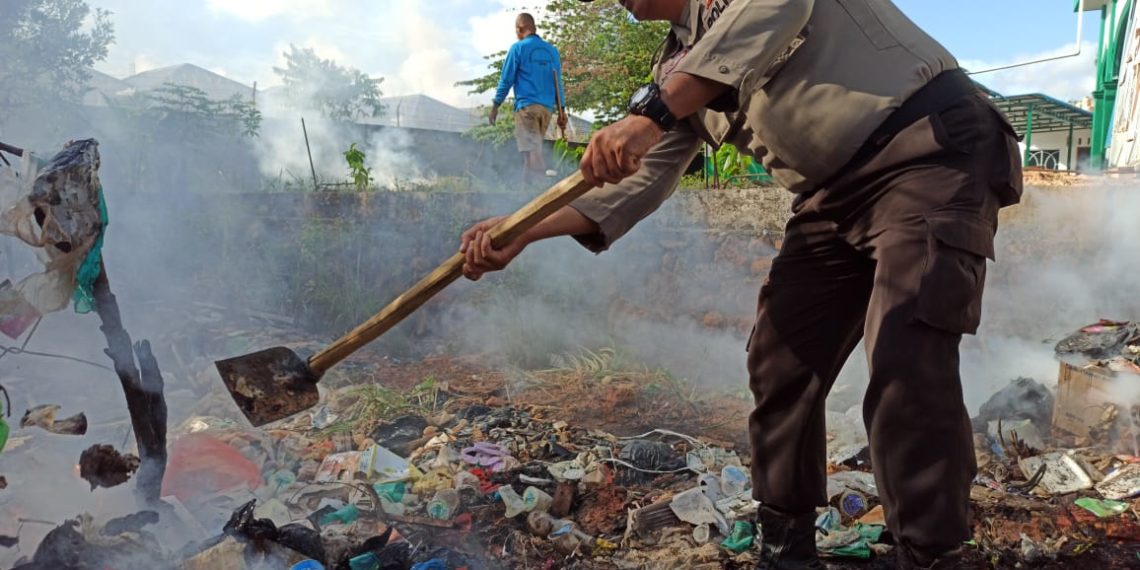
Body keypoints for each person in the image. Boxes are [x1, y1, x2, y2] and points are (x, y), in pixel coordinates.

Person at [461, 1, 1022, 569]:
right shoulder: (673, 70)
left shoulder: (684, 70)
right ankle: (786, 548)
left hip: (927, 149)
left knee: (907, 359)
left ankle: (928, 555)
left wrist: (655, 110)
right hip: (831, 196)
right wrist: (525, 231)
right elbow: (643, 180)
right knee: (780, 360)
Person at [490, 12, 569, 185]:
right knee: (528, 153)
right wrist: (562, 110)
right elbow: (558, 82)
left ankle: (542, 192)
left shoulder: (518, 48)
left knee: (534, 151)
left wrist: (496, 105)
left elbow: (507, 79)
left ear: (519, 29)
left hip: (528, 108)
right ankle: (526, 195)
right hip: (546, 110)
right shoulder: (552, 51)